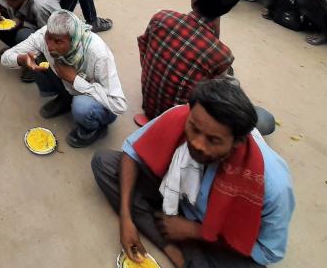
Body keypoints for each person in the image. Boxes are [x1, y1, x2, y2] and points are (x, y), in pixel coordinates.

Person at [91, 80, 295, 268]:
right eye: (194, 129)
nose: (197, 144)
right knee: (105, 164)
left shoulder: (273, 184)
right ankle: (172, 247)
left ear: (238, 142)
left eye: (213, 140)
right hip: (180, 201)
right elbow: (131, 151)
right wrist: (125, 219)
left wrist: (195, 231)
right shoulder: (181, 115)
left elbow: (268, 251)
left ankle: (181, 247)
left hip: (220, 233)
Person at [137, 0, 263, 130]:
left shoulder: (161, 17)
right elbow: (213, 93)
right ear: (224, 11)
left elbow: (144, 49)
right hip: (179, 122)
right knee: (262, 117)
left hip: (149, 105)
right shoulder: (222, 54)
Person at [2, 10, 126, 147]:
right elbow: (6, 57)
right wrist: (22, 59)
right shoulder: (44, 34)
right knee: (35, 54)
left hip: (98, 101)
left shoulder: (98, 54)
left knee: (81, 106)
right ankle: (65, 99)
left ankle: (93, 128)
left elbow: (118, 105)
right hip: (69, 84)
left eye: (58, 41)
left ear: (73, 40)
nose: (50, 46)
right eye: (49, 38)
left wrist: (75, 80)